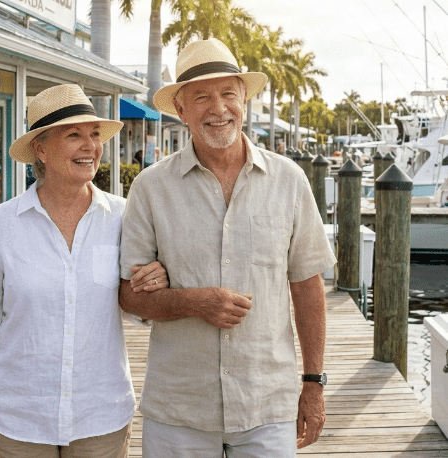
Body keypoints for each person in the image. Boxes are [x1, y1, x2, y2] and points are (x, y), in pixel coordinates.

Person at [118, 38, 336, 457]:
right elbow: (130, 296)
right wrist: (195, 302)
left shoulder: (289, 181)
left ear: (244, 100)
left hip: (267, 405)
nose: (218, 109)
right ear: (181, 109)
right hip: (179, 410)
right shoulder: (149, 188)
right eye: (201, 97)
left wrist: (314, 384)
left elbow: (307, 287)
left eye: (227, 94)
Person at [0, 84, 169, 458]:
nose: (90, 146)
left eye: (95, 135)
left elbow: (138, 306)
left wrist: (153, 282)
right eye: (74, 135)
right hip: (18, 419)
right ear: (41, 150)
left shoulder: (125, 217)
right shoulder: (2, 224)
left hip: (101, 415)